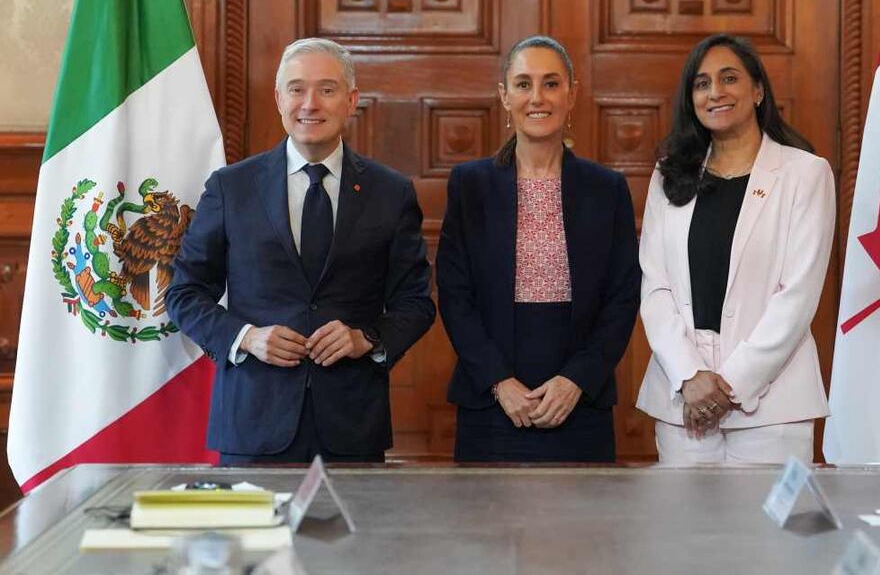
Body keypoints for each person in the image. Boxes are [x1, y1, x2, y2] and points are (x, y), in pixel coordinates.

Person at [165, 37, 435, 464]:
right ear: (278, 99)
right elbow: (184, 293)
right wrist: (246, 338)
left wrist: (366, 338)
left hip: (350, 427)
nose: (310, 103)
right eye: (297, 89)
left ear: (351, 101)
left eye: (327, 90)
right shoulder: (231, 187)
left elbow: (415, 303)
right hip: (253, 423)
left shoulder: (390, 192)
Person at [437, 35, 641, 462]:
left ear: (572, 94)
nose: (537, 98)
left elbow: (622, 297)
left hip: (580, 401)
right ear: (505, 96)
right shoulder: (470, 185)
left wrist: (576, 380)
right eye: (524, 84)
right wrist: (499, 382)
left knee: (580, 528)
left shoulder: (607, 189)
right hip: (492, 404)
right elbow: (455, 296)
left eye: (551, 84)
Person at [636, 33, 835, 465]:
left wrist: (730, 385)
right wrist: (690, 376)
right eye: (702, 83)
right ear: (691, 99)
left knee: (767, 535)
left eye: (729, 79)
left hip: (772, 407)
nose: (716, 92)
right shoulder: (669, 175)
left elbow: (797, 296)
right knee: (685, 534)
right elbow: (655, 287)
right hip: (682, 403)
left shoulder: (805, 174)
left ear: (758, 90)